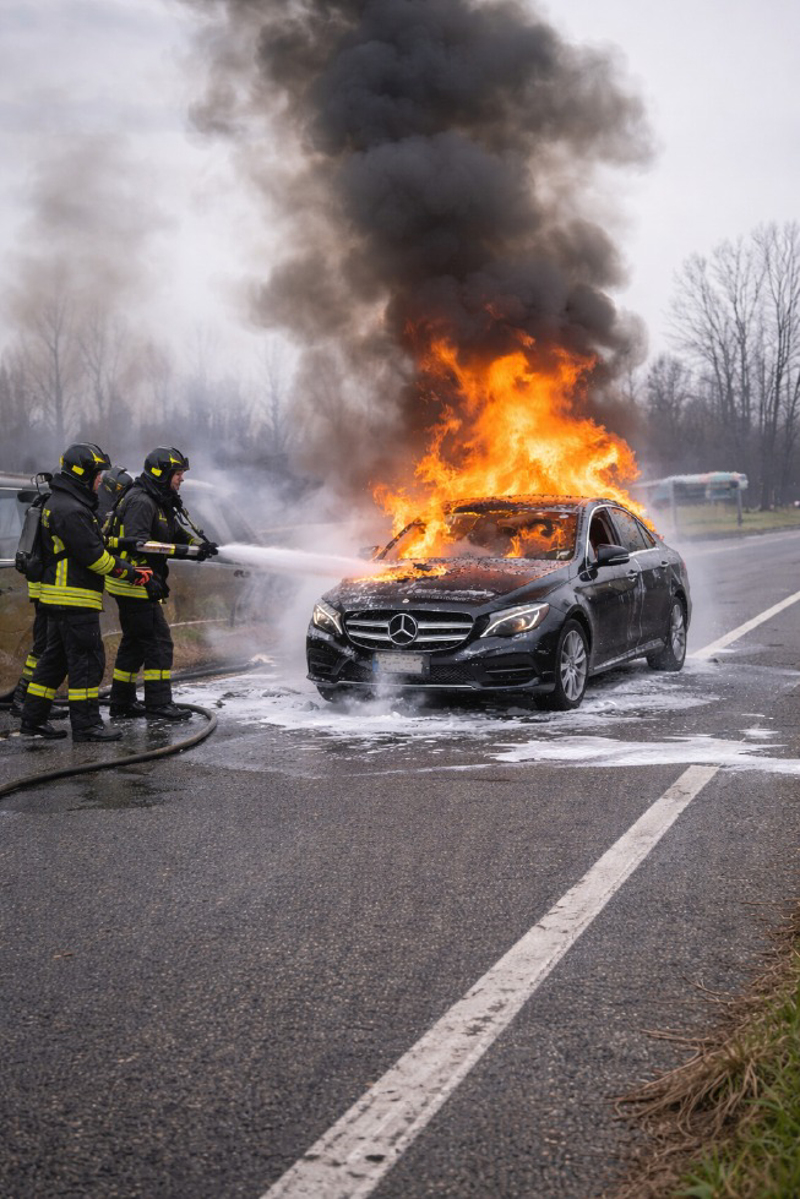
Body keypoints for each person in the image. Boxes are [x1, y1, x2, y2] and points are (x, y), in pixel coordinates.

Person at [20, 444, 153, 741]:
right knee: (87, 663)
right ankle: (87, 725)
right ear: (83, 474)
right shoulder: (72, 509)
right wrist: (130, 573)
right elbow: (94, 556)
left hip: (58, 600)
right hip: (74, 600)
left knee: (54, 661)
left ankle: (33, 719)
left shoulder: (61, 502)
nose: (100, 481)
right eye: (97, 475)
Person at [105, 447, 218, 722]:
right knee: (158, 643)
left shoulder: (159, 500)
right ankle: (158, 704)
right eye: (178, 474)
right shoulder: (142, 502)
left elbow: (175, 532)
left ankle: (122, 702)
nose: (181, 479)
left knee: (135, 643)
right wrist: (168, 564)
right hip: (135, 582)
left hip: (139, 582)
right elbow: (140, 545)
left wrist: (198, 545)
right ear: (162, 474)